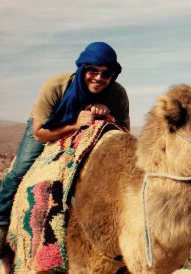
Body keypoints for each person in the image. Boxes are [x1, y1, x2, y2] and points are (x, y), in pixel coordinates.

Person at [0, 41, 129, 256]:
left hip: (90, 130)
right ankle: (2, 223)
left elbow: (124, 133)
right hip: (51, 125)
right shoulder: (56, 85)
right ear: (83, 68)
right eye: (93, 70)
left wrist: (108, 117)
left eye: (106, 74)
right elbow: (40, 133)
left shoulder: (116, 94)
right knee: (20, 170)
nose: (99, 77)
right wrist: (74, 125)